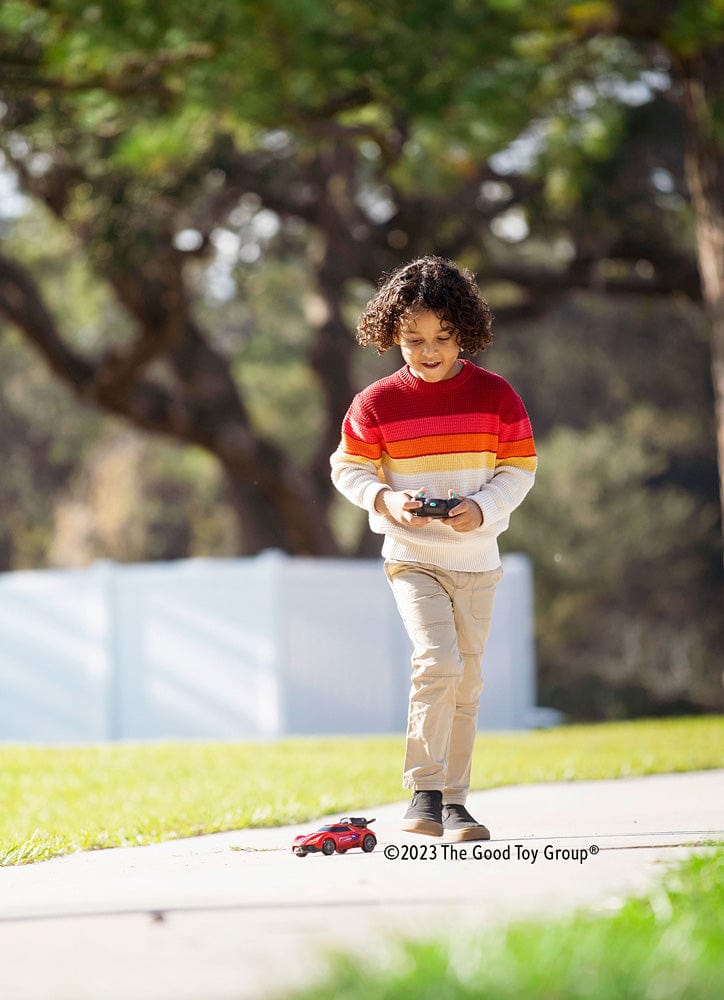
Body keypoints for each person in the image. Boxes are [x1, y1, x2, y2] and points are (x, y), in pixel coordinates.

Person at [330, 256, 536, 841]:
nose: (428, 351)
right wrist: (386, 500)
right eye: (413, 339)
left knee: (466, 682)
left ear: (463, 332)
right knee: (438, 662)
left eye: (442, 338)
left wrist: (484, 507)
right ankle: (423, 792)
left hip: (476, 562)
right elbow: (347, 467)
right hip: (412, 557)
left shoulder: (496, 396)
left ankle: (454, 803)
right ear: (391, 334)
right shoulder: (375, 403)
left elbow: (519, 468)